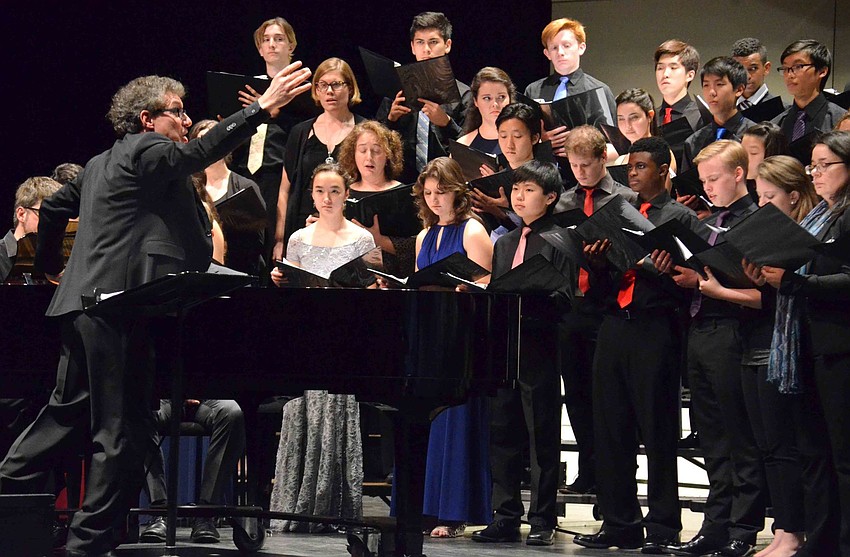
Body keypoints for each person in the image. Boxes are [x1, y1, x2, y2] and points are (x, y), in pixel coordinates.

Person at [0, 64, 312, 557]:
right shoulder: (150, 149)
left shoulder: (101, 162)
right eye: (178, 112)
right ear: (147, 119)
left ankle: (8, 490)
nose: (186, 120)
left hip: (81, 308)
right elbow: (197, 153)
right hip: (117, 309)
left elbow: (57, 209)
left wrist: (50, 271)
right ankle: (83, 548)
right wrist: (259, 110)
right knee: (120, 432)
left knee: (66, 417)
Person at [574, 136, 701, 552]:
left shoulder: (678, 217)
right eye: (629, 167)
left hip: (655, 328)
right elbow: (608, 282)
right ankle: (619, 522)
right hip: (614, 325)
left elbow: (692, 286)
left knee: (657, 429)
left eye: (642, 167)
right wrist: (596, 261)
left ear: (664, 170)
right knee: (611, 428)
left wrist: (664, 271)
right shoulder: (618, 211)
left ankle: (663, 526)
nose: (632, 174)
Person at [655, 141, 766, 557]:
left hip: (736, 330)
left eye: (714, 179)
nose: (708, 188)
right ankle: (715, 525)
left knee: (740, 437)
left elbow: (759, 283)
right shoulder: (706, 223)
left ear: (739, 174)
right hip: (700, 329)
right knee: (713, 439)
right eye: (703, 181)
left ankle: (744, 528)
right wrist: (676, 274)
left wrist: (714, 284)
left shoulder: (756, 219)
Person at [755, 131, 850, 557]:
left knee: (844, 458)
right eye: (812, 165)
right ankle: (821, 542)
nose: (816, 173)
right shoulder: (819, 216)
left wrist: (797, 282)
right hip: (806, 347)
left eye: (824, 164)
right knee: (813, 452)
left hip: (840, 348)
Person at [268, 163, 374, 532]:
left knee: (335, 413)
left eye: (334, 191)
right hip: (305, 337)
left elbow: (369, 296)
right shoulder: (298, 238)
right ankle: (296, 505)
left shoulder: (361, 240)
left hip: (344, 339)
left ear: (347, 195)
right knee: (303, 413)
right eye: (319, 191)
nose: (326, 199)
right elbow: (292, 294)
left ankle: (332, 506)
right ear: (311, 194)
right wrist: (281, 278)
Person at [471, 160, 571, 546]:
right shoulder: (506, 242)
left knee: (541, 434)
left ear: (549, 197)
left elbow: (565, 295)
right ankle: (505, 515)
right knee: (502, 434)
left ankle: (543, 517)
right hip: (506, 347)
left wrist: (531, 294)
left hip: (540, 345)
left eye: (529, 190)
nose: (519, 196)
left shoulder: (561, 238)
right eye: (516, 190)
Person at [550, 125, 636, 497]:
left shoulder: (624, 198)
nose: (581, 172)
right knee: (578, 393)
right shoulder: (565, 202)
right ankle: (588, 467)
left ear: (604, 158)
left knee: (612, 398)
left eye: (587, 164)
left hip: (611, 306)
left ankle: (617, 477)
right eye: (574, 165)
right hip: (574, 306)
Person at [410, 157, 493, 537]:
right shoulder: (423, 236)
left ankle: (454, 510)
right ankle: (425, 507)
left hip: (460, 334)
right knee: (426, 417)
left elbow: (487, 286)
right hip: (429, 334)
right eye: (428, 194)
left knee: (455, 419)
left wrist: (468, 289)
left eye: (441, 192)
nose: (434, 200)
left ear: (456, 192)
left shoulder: (473, 231)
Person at [273, 57, 365, 259]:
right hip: (301, 230)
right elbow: (284, 189)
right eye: (322, 85)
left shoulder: (364, 131)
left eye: (336, 84)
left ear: (350, 88)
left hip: (346, 232)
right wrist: (280, 239)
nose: (329, 91)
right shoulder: (301, 132)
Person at [232, 17, 301, 268]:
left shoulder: (302, 86)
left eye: (279, 39)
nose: (272, 45)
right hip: (245, 173)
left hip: (278, 175)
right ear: (260, 49)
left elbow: (309, 130)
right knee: (245, 245)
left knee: (274, 245)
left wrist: (274, 111)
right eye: (266, 40)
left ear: (291, 46)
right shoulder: (248, 85)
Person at [377, 12, 472, 184]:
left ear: (447, 45)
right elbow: (375, 141)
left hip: (445, 183)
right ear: (413, 47)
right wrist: (390, 119)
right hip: (401, 183)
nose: (426, 49)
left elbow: (470, 152)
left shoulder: (464, 94)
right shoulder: (396, 89)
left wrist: (447, 123)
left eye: (433, 42)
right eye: (420, 42)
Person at [138, 399, 245, 544]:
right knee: (138, 411)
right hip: (166, 398)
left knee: (232, 413)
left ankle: (205, 514)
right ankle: (159, 512)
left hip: (207, 398)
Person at [524, 18, 617, 158]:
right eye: (554, 48)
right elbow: (521, 136)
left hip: (586, 174)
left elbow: (615, 146)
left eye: (566, 45)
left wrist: (583, 152)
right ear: (547, 54)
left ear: (581, 48)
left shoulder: (599, 90)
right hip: (542, 172)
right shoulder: (533, 90)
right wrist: (541, 140)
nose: (560, 52)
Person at [337, 120, 414, 277]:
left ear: (388, 155)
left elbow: (416, 247)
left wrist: (378, 240)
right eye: (362, 150)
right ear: (353, 154)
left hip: (392, 279)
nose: (369, 157)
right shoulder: (341, 192)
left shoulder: (405, 194)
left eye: (376, 151)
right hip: (349, 279)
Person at [188, 119, 265, 275]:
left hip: (242, 268)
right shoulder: (191, 187)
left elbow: (259, 238)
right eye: (202, 143)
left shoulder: (245, 186)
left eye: (213, 142)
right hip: (205, 270)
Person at [470, 103, 542, 229]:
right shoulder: (496, 178)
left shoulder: (544, 177)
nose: (509, 144)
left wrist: (502, 211)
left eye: (517, 136)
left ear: (535, 138)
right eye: (503, 136)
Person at [772, 40, 846, 159]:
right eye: (785, 68)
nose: (789, 75)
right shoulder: (777, 123)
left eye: (798, 66)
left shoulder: (840, 121)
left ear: (822, 71)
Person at [681, 57, 755, 172]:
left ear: (739, 89)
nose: (711, 92)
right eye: (706, 85)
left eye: (719, 84)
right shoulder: (694, 142)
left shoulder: (755, 137)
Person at [654, 39, 708, 169]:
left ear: (689, 75)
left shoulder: (702, 116)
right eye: (660, 68)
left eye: (673, 68)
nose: (665, 74)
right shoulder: (650, 117)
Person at [612, 88, 677, 190]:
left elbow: (663, 197)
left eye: (634, 118)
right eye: (621, 119)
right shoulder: (620, 160)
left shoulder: (662, 153)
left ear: (650, 116)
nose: (627, 125)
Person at [456, 67, 516, 157]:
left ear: (510, 99)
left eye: (501, 97)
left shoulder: (526, 140)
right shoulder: (463, 145)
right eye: (487, 98)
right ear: (476, 101)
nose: (495, 104)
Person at [731, 38, 776, 109]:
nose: (747, 76)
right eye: (740, 69)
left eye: (753, 69)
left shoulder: (781, 112)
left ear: (766, 68)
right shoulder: (723, 111)